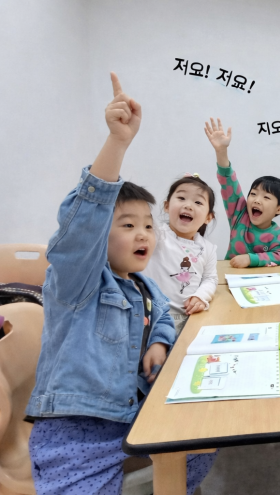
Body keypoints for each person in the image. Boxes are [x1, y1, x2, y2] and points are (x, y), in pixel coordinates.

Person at [25, 73, 216, 495]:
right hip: (76, 431)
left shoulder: (144, 286)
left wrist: (159, 343)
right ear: (100, 237)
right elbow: (80, 228)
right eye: (128, 225)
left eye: (148, 225)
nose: (144, 233)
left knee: (205, 439)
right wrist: (117, 142)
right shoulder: (78, 283)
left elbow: (161, 315)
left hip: (133, 413)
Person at [204, 118, 280, 267]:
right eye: (253, 194)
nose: (257, 200)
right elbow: (228, 181)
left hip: (261, 279)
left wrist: (251, 259)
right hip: (230, 274)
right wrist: (221, 151)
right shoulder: (239, 215)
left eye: (266, 197)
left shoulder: (277, 234)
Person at [143, 173, 218, 333]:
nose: (188, 206)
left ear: (208, 217)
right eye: (181, 198)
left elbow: (210, 278)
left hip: (188, 318)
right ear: (167, 206)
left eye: (198, 202)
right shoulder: (156, 234)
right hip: (151, 316)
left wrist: (201, 296)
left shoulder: (208, 248)